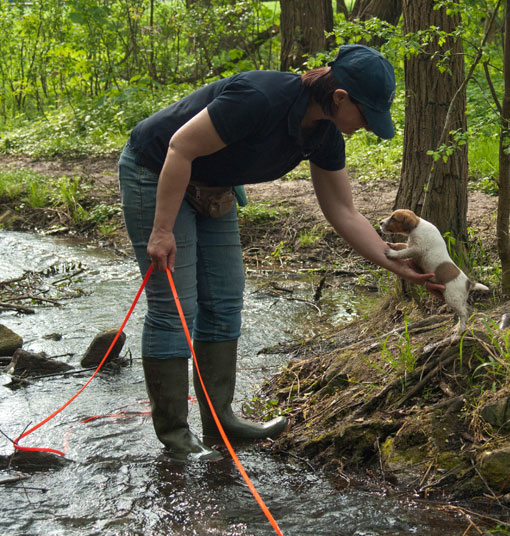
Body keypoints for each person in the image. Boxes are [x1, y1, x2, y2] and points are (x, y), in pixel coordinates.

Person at [118, 44, 443, 461]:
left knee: (223, 300)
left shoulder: (325, 132)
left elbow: (343, 211)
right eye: (365, 116)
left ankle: (220, 422)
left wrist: (401, 264)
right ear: (340, 97)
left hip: (213, 185)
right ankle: (177, 438)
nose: (365, 126)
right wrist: (162, 230)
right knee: (174, 306)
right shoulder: (260, 96)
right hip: (156, 170)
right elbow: (180, 148)